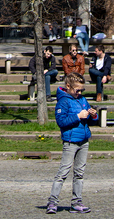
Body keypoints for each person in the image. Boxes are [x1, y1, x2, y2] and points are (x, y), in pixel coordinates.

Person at [46, 72, 97, 214]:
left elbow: (90, 121)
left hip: (83, 140)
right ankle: (52, 202)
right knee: (63, 172)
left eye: (82, 90)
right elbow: (61, 122)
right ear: (68, 86)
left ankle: (76, 202)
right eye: (77, 90)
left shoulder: (83, 100)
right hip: (70, 142)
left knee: (79, 173)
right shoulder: (63, 102)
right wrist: (77, 116)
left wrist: (92, 115)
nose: (79, 93)